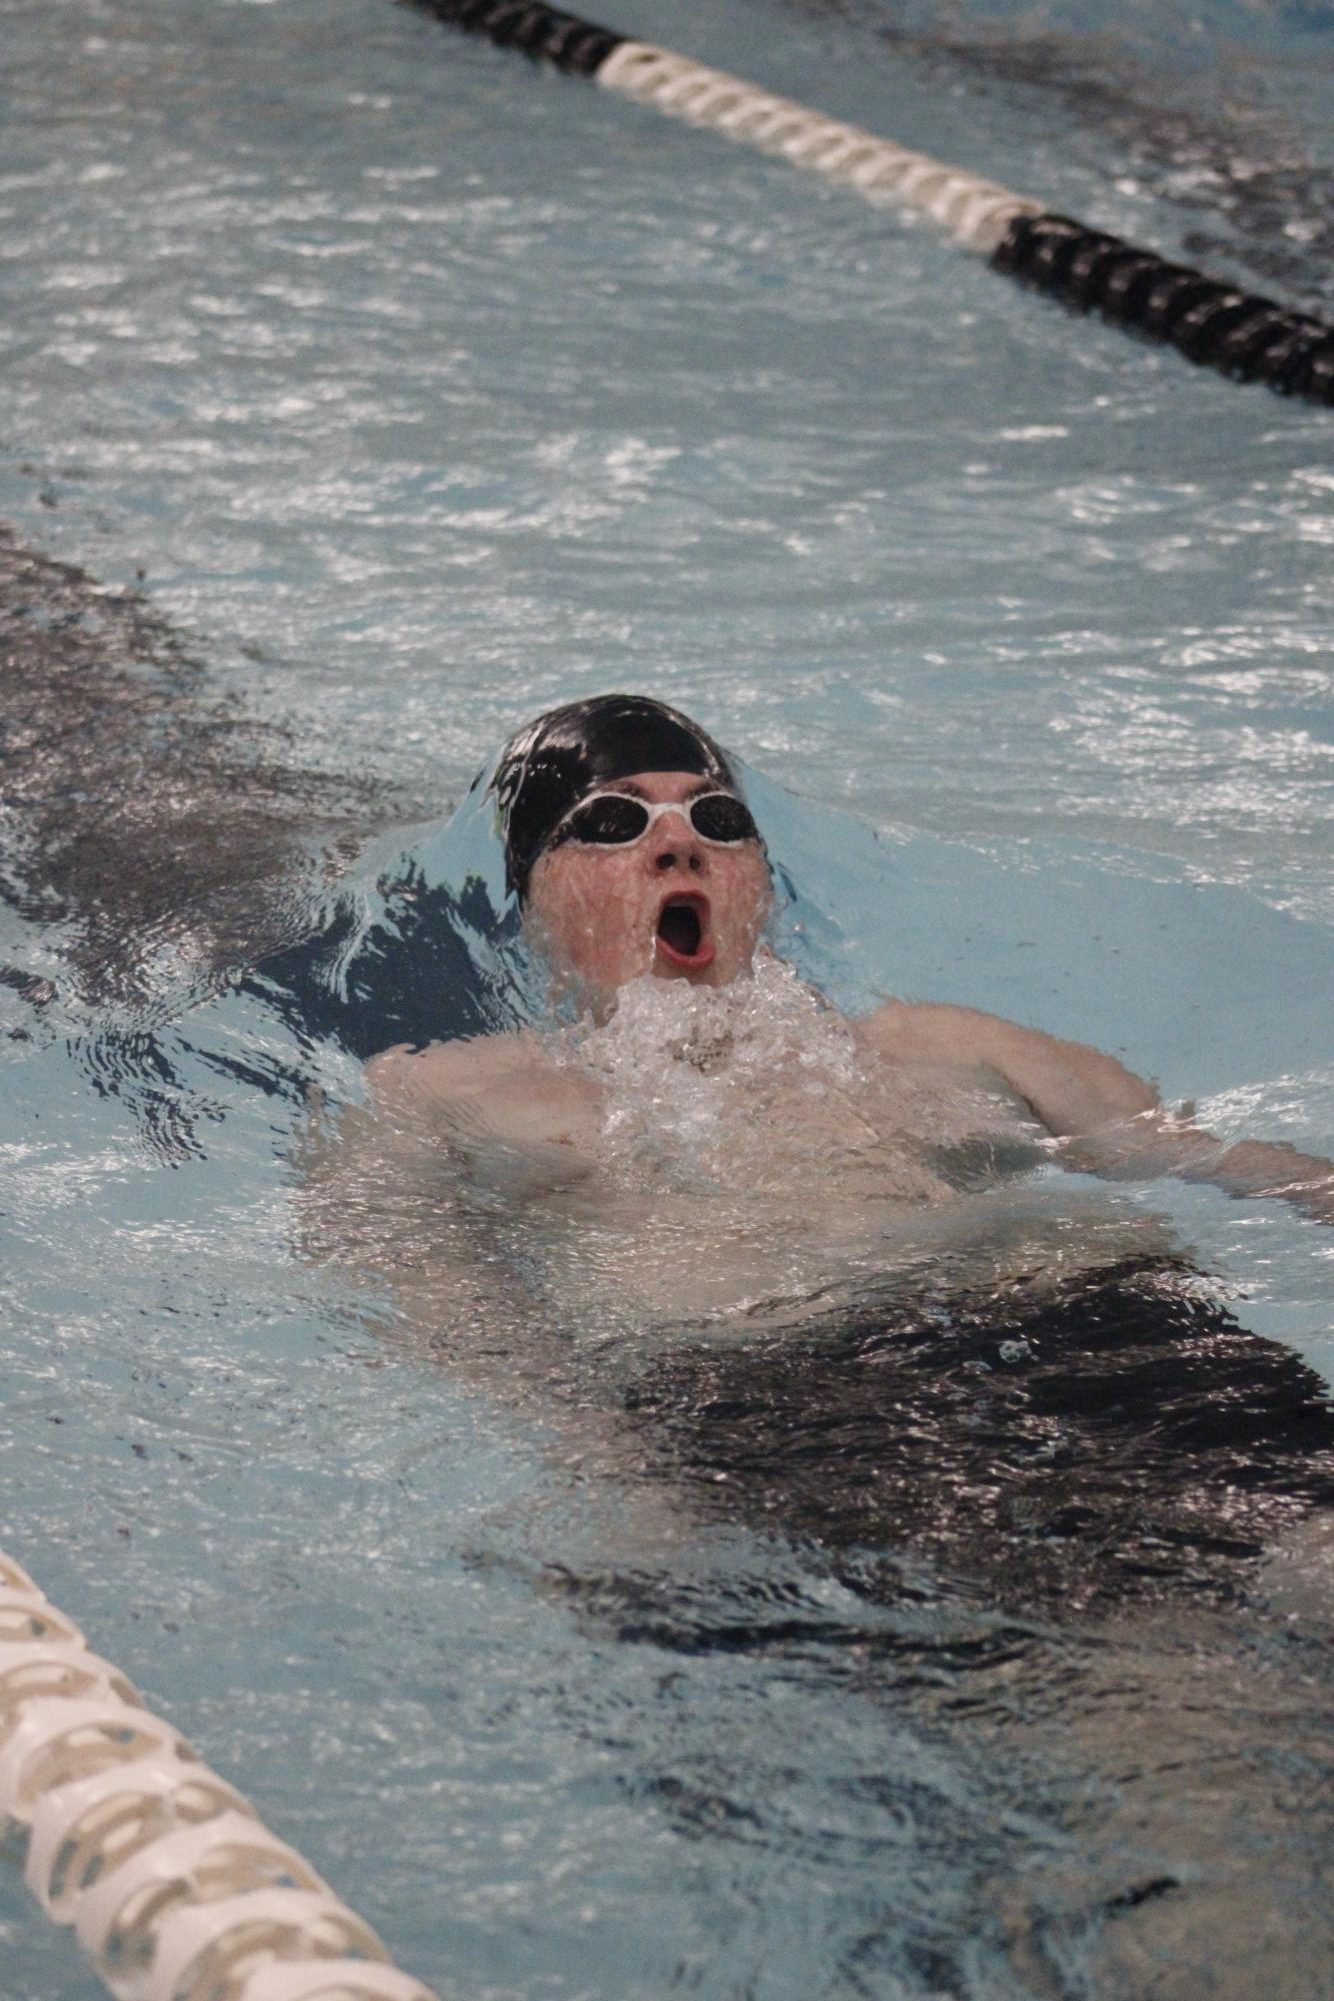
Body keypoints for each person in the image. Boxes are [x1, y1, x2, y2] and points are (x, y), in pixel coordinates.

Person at [366, 692, 1333, 1230]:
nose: (678, 848)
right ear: (532, 904)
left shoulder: (951, 1045)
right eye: (613, 823)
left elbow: (1229, 1164)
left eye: (719, 819)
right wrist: (601, 1462)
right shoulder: (443, 1097)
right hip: (769, 1414)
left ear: (763, 887)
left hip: (1094, 1341)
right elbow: (433, 1317)